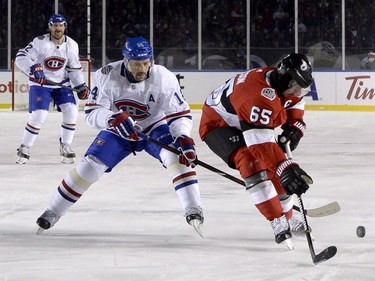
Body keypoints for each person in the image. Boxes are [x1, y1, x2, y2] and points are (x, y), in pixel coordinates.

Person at [36, 36, 204, 237]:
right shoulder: (107, 74)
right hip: (118, 130)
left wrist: (183, 138)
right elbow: (92, 113)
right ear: (125, 61)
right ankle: (53, 211)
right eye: (136, 64)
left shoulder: (164, 77)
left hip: (154, 126)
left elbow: (179, 114)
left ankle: (194, 208)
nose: (142, 69)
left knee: (177, 156)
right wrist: (112, 119)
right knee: (90, 166)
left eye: (146, 63)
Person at [199, 53, 314, 249]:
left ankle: (287, 216)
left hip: (246, 120)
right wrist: (286, 168)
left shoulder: (282, 84)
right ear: (286, 79)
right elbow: (260, 147)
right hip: (219, 124)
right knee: (252, 163)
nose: (298, 93)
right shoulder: (256, 95)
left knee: (277, 166)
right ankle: (276, 220)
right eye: (296, 87)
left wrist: (294, 128)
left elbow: (295, 104)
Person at [15, 14, 90, 164]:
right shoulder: (40, 42)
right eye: (55, 25)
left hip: (61, 83)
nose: (58, 28)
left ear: (65, 27)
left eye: (61, 25)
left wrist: (80, 85)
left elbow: (73, 68)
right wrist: (33, 67)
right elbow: (20, 56)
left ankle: (66, 145)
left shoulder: (72, 45)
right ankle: (25, 147)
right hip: (40, 84)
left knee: (72, 111)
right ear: (50, 27)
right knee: (39, 115)